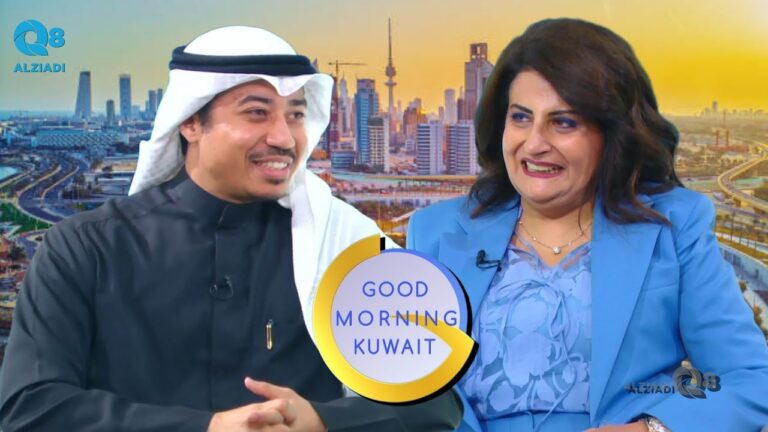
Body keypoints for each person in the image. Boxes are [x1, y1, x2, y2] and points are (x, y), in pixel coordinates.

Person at [0, 26, 461, 432]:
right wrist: (206, 428)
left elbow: (436, 401)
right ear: (190, 121)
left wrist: (324, 422)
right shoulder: (84, 249)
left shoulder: (341, 243)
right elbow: (30, 409)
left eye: (296, 114)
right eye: (257, 113)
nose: (284, 137)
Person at [407, 18, 768, 432]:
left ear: (612, 134)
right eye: (521, 117)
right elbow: (402, 386)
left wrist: (651, 430)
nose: (534, 143)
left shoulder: (674, 226)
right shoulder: (434, 232)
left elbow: (749, 379)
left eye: (564, 122)